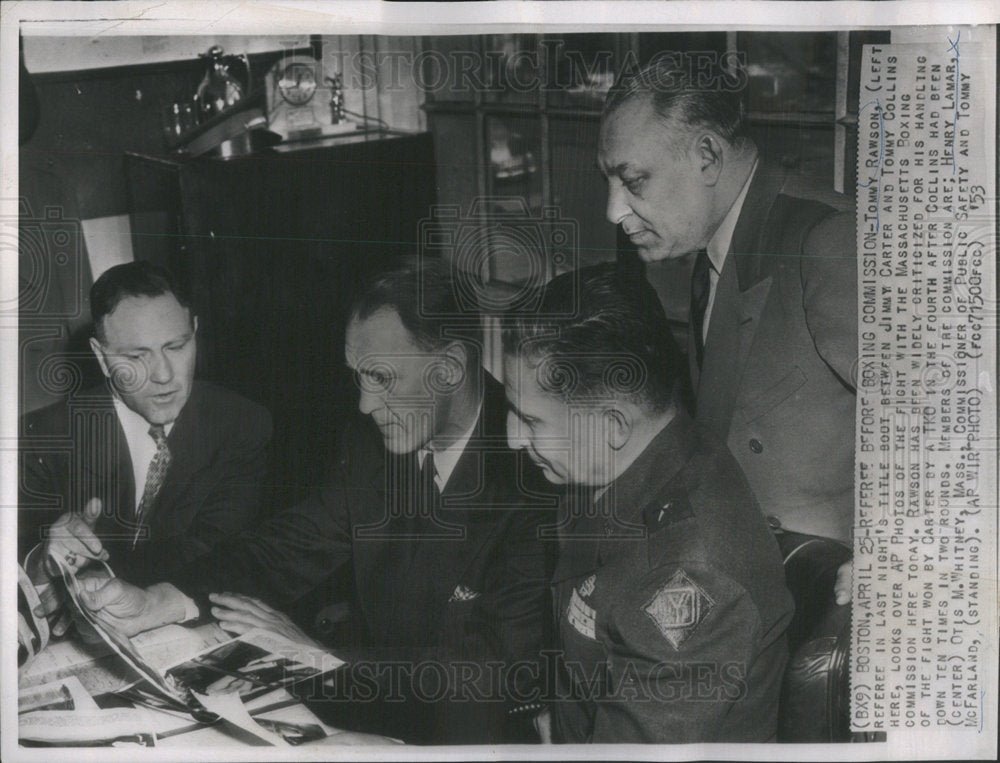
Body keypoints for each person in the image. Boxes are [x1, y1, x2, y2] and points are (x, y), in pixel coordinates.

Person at [70, 259, 556, 745]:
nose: (365, 404)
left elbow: (498, 667)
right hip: (375, 724)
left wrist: (321, 657)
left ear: (449, 369)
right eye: (357, 377)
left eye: (382, 378)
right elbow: (280, 549)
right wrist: (160, 600)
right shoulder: (372, 443)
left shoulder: (537, 468)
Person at [598, 58, 857, 602]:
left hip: (819, 597)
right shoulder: (714, 249)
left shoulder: (829, 239)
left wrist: (901, 563)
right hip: (744, 585)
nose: (614, 210)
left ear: (707, 156)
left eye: (633, 180)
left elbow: (946, 431)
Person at [501, 263, 794, 743]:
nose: (513, 439)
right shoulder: (626, 463)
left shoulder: (692, 575)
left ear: (612, 425)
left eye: (530, 420)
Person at [20, 260, 272, 614]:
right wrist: (42, 565)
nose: (164, 375)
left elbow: (218, 554)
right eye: (137, 356)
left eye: (176, 346)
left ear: (195, 332)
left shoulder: (242, 424)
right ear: (102, 357)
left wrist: (96, 580)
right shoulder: (42, 437)